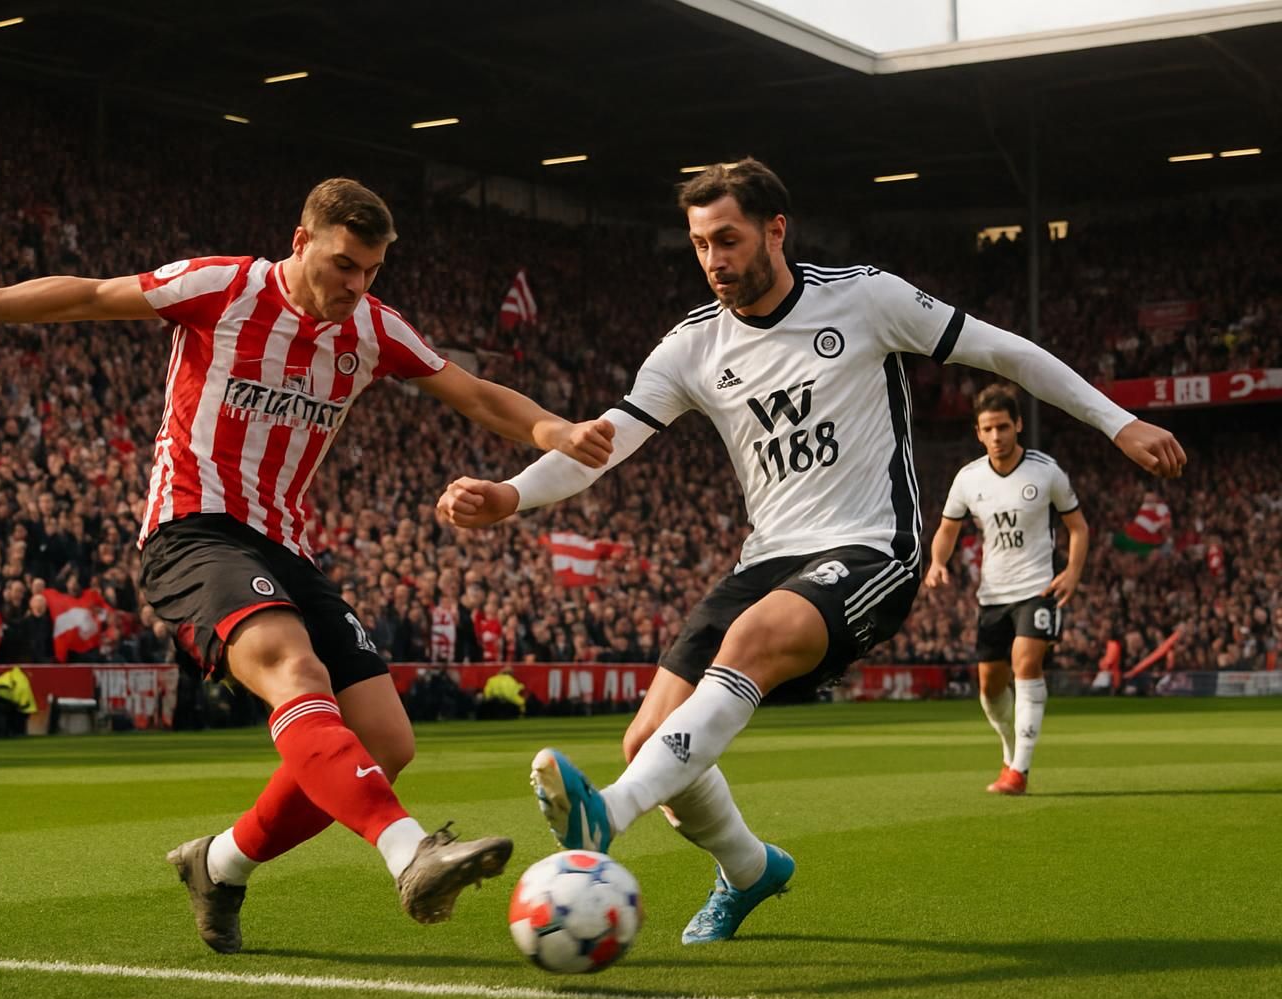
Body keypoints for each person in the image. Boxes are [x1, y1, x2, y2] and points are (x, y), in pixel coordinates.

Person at [437, 159, 1185, 945]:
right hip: (766, 559)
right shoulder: (691, 346)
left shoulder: (865, 297)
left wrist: (1117, 421)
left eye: (728, 239)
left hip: (873, 548)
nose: (715, 259)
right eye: (699, 245)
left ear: (776, 229)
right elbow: (608, 440)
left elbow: (1009, 354)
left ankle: (608, 812)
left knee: (747, 645)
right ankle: (751, 869)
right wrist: (513, 493)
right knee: (648, 741)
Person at [0, 176, 614, 952]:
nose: (356, 285)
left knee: (387, 741)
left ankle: (217, 865)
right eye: (344, 264)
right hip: (192, 528)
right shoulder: (224, 286)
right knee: (294, 669)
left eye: (371, 271)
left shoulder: (374, 330)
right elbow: (92, 294)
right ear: (302, 240)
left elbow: (473, 392)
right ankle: (410, 852)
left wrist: (553, 429)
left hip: (285, 544)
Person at [925, 384, 1089, 795]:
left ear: (1018, 425)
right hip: (992, 595)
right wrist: (938, 562)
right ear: (978, 433)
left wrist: (1072, 571)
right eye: (988, 429)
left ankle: (1019, 771)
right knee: (989, 686)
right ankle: (1009, 752)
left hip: (1038, 587)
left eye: (1003, 426)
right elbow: (947, 528)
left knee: (1026, 664)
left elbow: (1078, 527)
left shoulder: (1045, 471)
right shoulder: (968, 479)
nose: (996, 436)